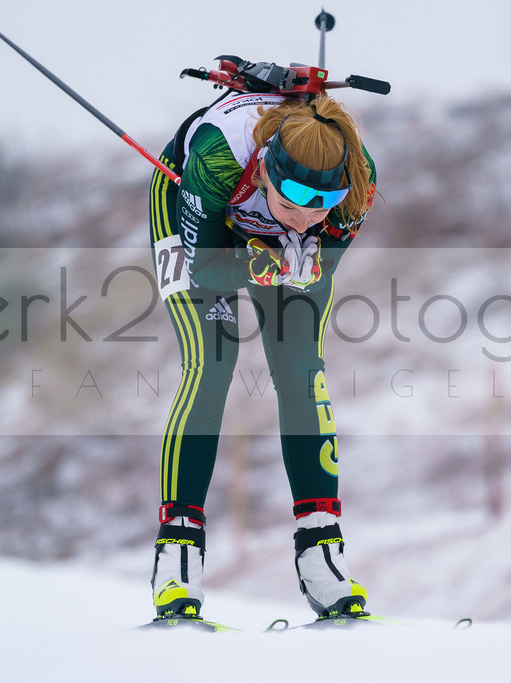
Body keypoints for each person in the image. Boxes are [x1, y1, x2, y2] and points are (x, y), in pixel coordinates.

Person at [146, 88, 377, 622]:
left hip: (258, 238)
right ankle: (177, 557)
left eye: (319, 209)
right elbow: (205, 267)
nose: (302, 222)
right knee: (212, 363)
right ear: (267, 174)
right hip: (190, 206)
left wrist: (303, 263)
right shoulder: (217, 156)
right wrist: (258, 264)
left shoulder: (358, 181)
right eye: (290, 206)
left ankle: (322, 553)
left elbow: (321, 261)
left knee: (302, 372)